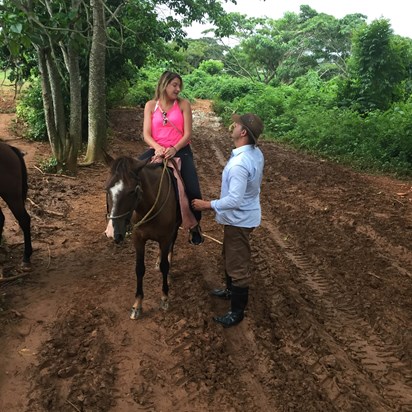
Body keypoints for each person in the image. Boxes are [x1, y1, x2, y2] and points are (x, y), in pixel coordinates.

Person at [192, 113, 264, 327]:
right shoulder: (255, 153)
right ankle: (230, 290)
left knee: (237, 264)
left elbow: (234, 200)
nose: (233, 125)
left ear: (243, 133)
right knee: (229, 253)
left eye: (237, 124)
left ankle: (237, 312)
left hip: (239, 220)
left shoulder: (240, 164)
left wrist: (207, 205)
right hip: (243, 217)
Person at [140, 70, 203, 245]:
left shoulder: (183, 104)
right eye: (174, 85)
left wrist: (174, 148)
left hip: (180, 150)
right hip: (157, 150)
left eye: (179, 86)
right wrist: (158, 147)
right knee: (130, 175)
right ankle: (121, 221)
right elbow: (146, 134)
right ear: (164, 84)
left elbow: (188, 134)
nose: (178, 89)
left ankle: (194, 226)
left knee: (193, 190)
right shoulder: (150, 105)